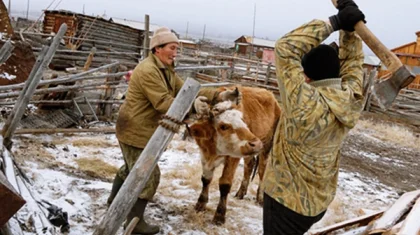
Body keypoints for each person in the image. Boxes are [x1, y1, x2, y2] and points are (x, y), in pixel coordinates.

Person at [107, 27, 226, 234]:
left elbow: (186, 90)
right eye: (172, 48)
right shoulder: (148, 71)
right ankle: (134, 223)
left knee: (130, 169)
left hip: (141, 129)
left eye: (176, 48)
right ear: (157, 49)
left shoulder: (165, 70)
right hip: (135, 129)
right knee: (147, 176)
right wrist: (193, 106)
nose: (175, 52)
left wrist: (218, 95)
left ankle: (114, 204)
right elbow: (163, 103)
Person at [262, 0, 366, 234]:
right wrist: (349, 33)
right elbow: (354, 65)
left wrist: (336, 22)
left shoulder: (303, 102)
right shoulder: (350, 99)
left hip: (286, 201)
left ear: (306, 77)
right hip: (318, 202)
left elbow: (285, 48)